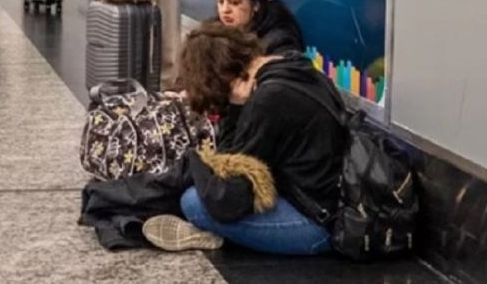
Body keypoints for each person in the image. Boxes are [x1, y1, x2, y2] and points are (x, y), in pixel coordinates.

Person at [141, 23, 346, 255]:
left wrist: (236, 110)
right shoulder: (292, 65)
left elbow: (230, 180)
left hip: (317, 226)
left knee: (193, 202)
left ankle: (214, 235)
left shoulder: (267, 99)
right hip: (330, 203)